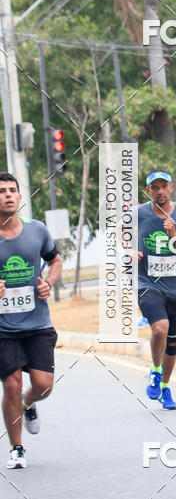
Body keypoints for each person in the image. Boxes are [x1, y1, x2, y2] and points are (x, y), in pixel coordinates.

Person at [0, 172, 62, 469]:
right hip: (4, 329)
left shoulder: (37, 231)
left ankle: (29, 403)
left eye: (13, 190)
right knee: (10, 385)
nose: (8, 195)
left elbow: (55, 260)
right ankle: (17, 448)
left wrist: (49, 282)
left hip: (37, 323)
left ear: (20, 198)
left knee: (44, 385)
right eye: (2, 191)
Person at [137, 170, 176, 409]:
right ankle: (155, 369)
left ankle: (165, 386)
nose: (160, 192)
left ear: (171, 188)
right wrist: (128, 250)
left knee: (172, 342)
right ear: (148, 190)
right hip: (146, 284)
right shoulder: (138, 214)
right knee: (160, 328)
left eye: (164, 187)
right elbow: (119, 234)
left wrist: (173, 234)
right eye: (155, 187)